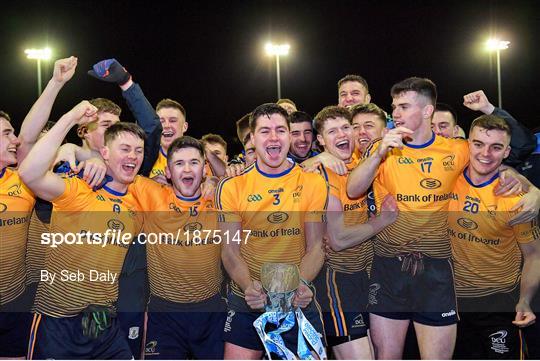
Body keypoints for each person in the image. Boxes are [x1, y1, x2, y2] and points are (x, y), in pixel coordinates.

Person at [347, 77, 470, 359]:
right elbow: (353, 190)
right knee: (387, 356)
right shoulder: (381, 149)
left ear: (428, 111)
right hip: (389, 267)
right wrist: (378, 153)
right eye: (394, 106)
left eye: (404, 106)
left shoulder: (457, 149)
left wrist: (528, 186)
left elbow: (499, 163)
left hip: (436, 269)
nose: (396, 113)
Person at [20, 103, 145, 359]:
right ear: (105, 153)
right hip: (56, 319)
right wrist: (69, 118)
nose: (133, 156)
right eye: (125, 149)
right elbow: (29, 173)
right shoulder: (78, 188)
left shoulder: (139, 203)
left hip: (99, 317)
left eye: (139, 151)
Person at [216, 103, 328, 359]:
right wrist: (248, 286)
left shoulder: (312, 182)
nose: (274, 137)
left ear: (290, 135)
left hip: (296, 298)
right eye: (265, 131)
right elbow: (230, 251)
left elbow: (315, 247)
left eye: (280, 130)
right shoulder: (232, 186)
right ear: (252, 139)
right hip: (248, 298)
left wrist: (301, 283)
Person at [449, 115, 540, 359]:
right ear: (467, 143)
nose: (485, 153)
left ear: (507, 151)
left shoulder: (516, 198)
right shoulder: (447, 180)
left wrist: (525, 301)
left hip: (499, 303)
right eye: (478, 144)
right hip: (450, 303)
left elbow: (534, 254)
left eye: (496, 147)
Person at [312, 105, 398, 359]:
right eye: (332, 131)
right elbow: (337, 240)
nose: (342, 134)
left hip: (367, 275)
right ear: (321, 140)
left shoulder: (364, 164)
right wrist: (383, 221)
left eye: (346, 127)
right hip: (335, 279)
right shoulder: (321, 175)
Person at [129, 136, 226, 359]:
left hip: (210, 312)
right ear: (169, 172)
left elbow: (241, 178)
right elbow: (115, 168)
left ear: (204, 170)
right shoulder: (152, 194)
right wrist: (75, 151)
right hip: (164, 314)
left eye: (194, 162)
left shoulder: (220, 197)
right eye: (179, 163)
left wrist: (216, 179)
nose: (187, 169)